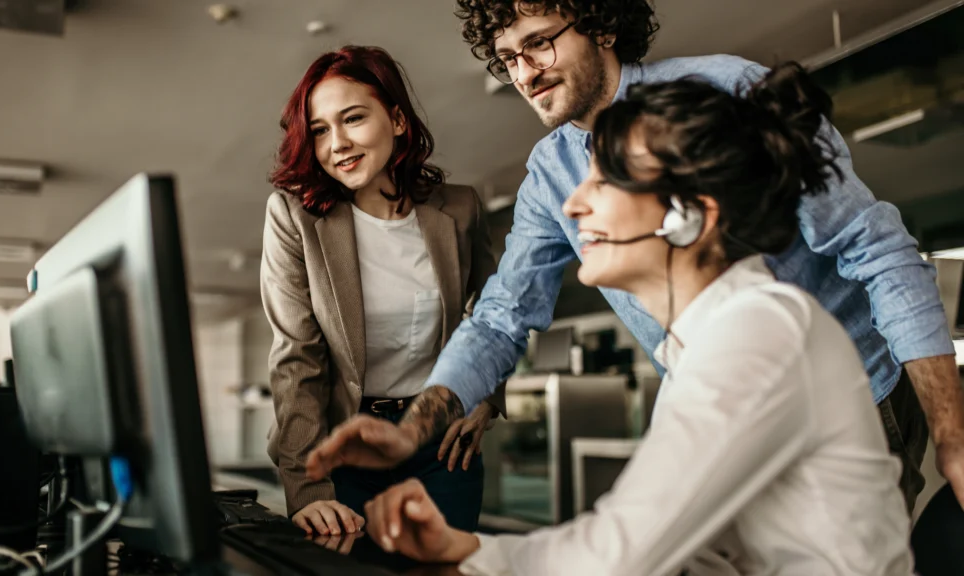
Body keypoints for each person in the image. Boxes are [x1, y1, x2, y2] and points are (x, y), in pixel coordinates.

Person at [306, 0, 964, 514]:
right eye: (508, 58)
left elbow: (876, 248)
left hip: (845, 398)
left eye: (540, 42)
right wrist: (415, 428)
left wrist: (952, 437)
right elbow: (502, 314)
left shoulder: (726, 91)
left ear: (600, 24)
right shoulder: (551, 169)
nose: (525, 73)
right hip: (718, 420)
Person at [358, 61, 915, 575]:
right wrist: (460, 549)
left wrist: (471, 555)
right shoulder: (701, 349)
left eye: (603, 182)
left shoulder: (758, 333)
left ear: (686, 216)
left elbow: (617, 555)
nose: (573, 206)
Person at [260, 45, 504, 537]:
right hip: (343, 446)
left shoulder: (460, 209)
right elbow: (298, 359)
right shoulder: (294, 217)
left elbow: (494, 316)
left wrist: (487, 398)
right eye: (320, 130)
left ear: (397, 119)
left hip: (441, 445)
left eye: (353, 118)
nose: (337, 144)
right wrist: (306, 489)